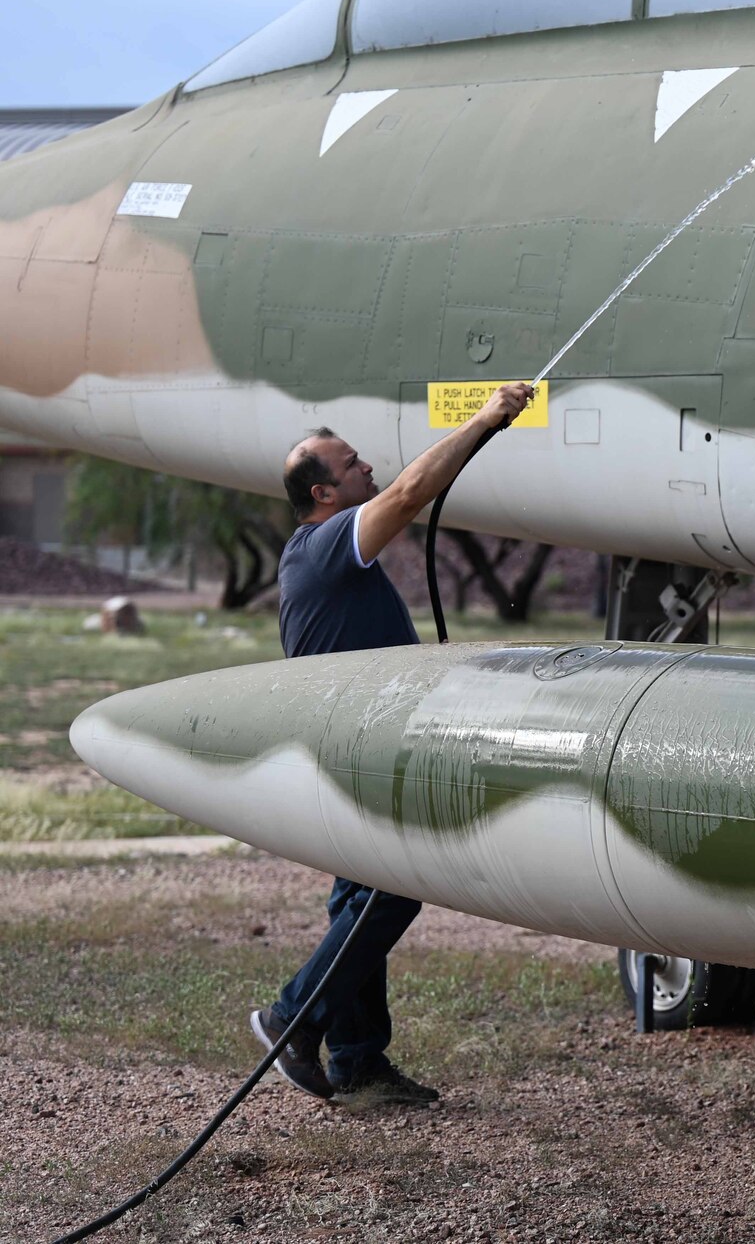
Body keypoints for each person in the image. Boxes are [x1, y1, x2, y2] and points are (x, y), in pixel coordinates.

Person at [250, 381, 534, 1106]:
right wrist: (485, 418)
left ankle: (356, 1060)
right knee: (394, 889)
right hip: (350, 752)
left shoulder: (322, 553)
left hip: (354, 748)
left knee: (360, 897)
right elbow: (410, 493)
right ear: (322, 492)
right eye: (349, 465)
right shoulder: (323, 546)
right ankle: (291, 1017)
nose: (365, 467)